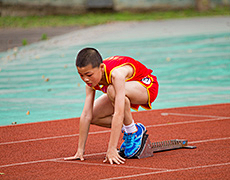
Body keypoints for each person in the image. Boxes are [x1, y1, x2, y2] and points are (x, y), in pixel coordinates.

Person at [65, 47, 159, 164]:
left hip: (146, 87)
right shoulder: (90, 80)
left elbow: (118, 112)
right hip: (125, 88)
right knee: (94, 116)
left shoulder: (116, 74)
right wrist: (80, 150)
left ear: (101, 68)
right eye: (81, 75)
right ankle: (134, 128)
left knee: (112, 90)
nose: (85, 79)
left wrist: (112, 149)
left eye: (89, 75)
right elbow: (86, 115)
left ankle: (132, 132)